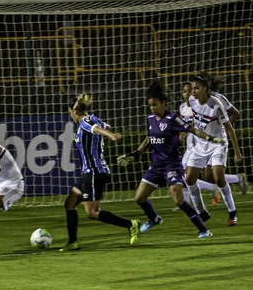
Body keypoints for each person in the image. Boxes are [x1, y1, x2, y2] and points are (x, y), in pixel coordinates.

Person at [117, 81, 219, 238]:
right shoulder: (150, 119)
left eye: (155, 105)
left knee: (178, 200)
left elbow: (192, 129)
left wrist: (209, 137)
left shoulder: (172, 119)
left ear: (163, 102)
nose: (153, 108)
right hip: (156, 166)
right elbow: (149, 138)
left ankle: (203, 230)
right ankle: (154, 219)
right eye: (150, 105)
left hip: (172, 165)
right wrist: (134, 154)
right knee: (139, 198)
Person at [60, 93, 140, 252]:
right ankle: (72, 242)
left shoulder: (85, 122)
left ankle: (130, 224)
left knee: (92, 212)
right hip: (89, 172)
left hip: (94, 172)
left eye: (70, 113)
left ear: (73, 110)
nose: (70, 116)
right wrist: (108, 131)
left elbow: (97, 129)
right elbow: (104, 126)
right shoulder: (93, 118)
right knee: (70, 202)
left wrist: (110, 136)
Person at [185, 74, 243, 226]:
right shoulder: (191, 101)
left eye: (196, 88)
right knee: (189, 179)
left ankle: (232, 212)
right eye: (192, 89)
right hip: (200, 143)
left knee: (218, 177)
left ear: (205, 88)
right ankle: (201, 213)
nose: (193, 91)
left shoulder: (216, 103)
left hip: (218, 143)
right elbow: (195, 119)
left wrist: (237, 152)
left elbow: (229, 129)